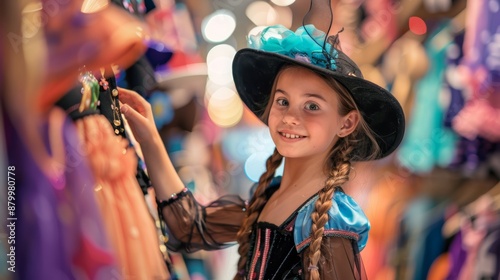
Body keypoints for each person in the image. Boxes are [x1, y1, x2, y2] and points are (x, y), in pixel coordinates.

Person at [118, 23, 405, 279]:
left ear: (347, 123)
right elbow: (191, 228)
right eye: (282, 101)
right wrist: (150, 139)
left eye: (312, 106)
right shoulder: (268, 196)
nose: (291, 117)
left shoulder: (329, 221)